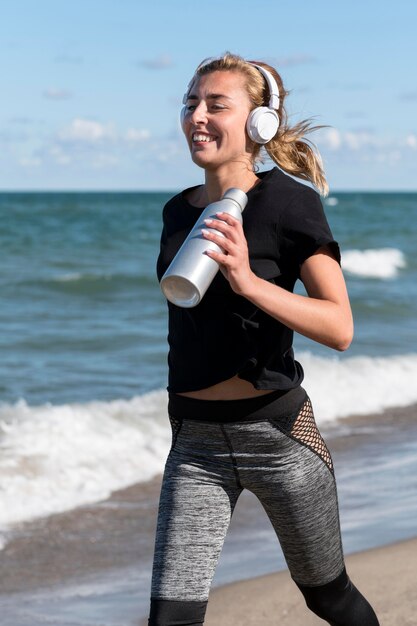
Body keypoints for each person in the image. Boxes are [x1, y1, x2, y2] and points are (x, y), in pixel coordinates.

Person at [149, 52, 379, 626]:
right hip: (195, 443)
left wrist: (248, 281)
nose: (196, 115)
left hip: (279, 435)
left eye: (216, 104)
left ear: (259, 123)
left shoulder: (289, 203)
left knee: (329, 597)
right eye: (190, 103)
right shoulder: (178, 211)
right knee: (170, 618)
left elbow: (339, 326)